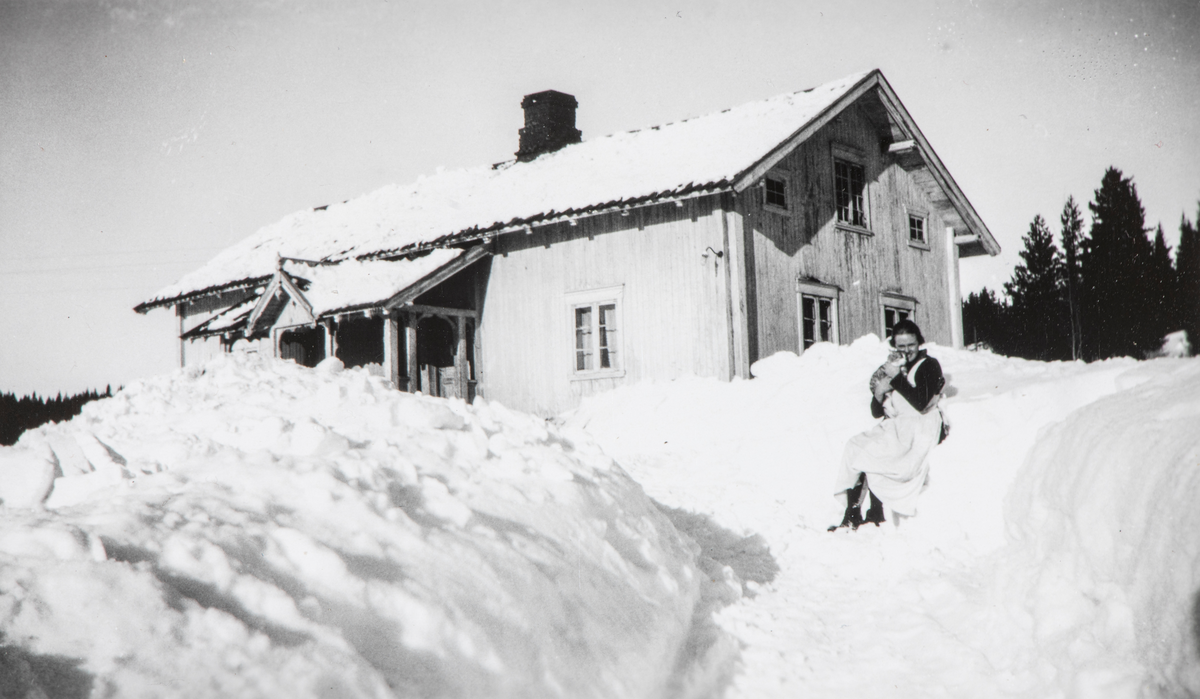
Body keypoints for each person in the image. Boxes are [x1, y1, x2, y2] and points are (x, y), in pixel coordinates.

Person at [829, 320, 946, 531]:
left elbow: (921, 402)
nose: (906, 351)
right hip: (896, 425)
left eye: (911, 345)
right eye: (901, 346)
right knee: (855, 445)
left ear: (919, 343)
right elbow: (876, 411)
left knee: (872, 451)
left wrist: (895, 379)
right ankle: (854, 512)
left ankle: (870, 513)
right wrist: (880, 391)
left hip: (917, 428)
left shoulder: (929, 364)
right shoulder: (893, 366)